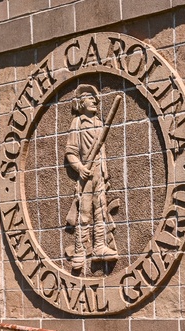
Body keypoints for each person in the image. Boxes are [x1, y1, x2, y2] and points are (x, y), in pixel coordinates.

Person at [65, 83, 118, 273]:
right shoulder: (77, 123)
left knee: (101, 211)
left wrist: (104, 173)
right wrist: (79, 168)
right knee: (84, 213)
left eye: (95, 98)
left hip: (98, 173)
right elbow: (70, 152)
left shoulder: (98, 123)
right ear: (81, 102)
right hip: (85, 174)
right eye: (90, 98)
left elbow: (102, 152)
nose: (95, 100)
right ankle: (79, 251)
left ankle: (99, 247)